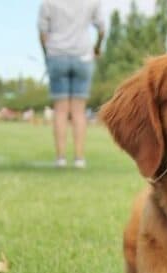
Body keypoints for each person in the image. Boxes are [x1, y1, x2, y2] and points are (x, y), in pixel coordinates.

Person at [38, 0, 105, 168]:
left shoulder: (48, 2)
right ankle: (79, 158)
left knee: (60, 110)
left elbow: (42, 32)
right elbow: (102, 29)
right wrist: (97, 48)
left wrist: (47, 54)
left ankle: (60, 158)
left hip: (57, 56)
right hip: (83, 57)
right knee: (79, 111)